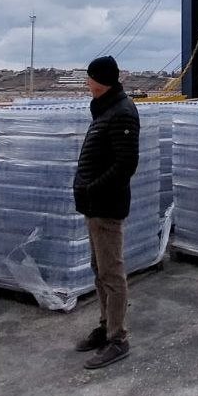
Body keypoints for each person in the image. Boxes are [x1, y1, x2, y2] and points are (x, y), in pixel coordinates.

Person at [72, 55, 140, 370]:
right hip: (93, 206)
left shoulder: (122, 113)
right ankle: (105, 326)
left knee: (111, 272)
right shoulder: (105, 111)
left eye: (90, 78)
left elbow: (125, 165)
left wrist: (93, 187)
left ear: (102, 81)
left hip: (106, 205)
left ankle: (118, 338)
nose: (87, 83)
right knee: (99, 270)